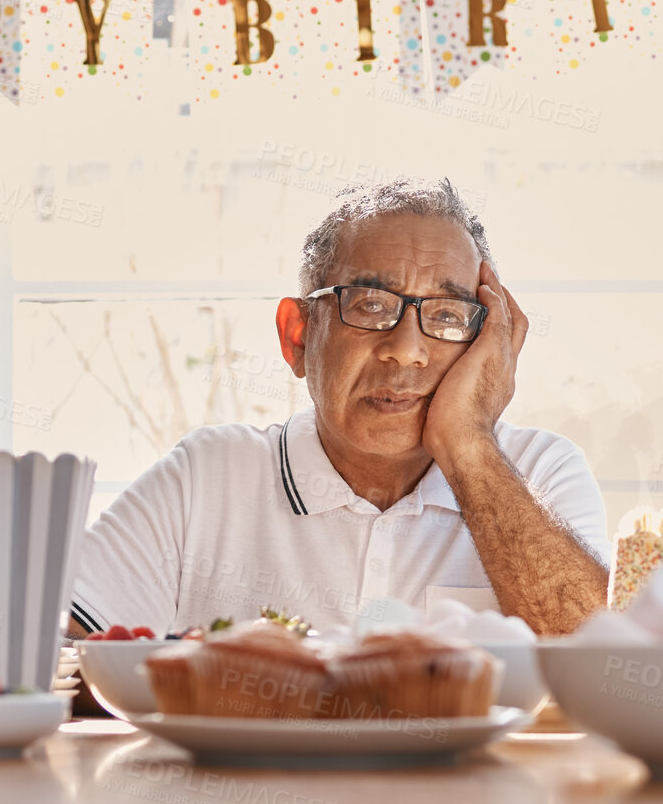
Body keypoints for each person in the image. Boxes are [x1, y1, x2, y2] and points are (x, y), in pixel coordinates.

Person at [70, 179, 609, 636]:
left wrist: (468, 444)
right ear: (297, 336)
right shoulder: (208, 476)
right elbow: (57, 660)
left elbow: (601, 669)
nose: (406, 349)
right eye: (370, 305)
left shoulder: (541, 471)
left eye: (447, 316)